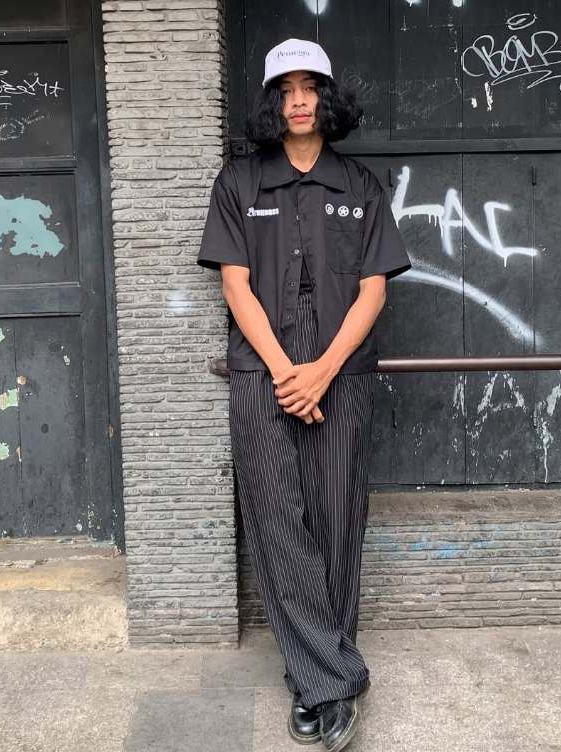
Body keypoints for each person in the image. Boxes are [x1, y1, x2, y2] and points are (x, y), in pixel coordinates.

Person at [196, 37, 411, 752]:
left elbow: (373, 291)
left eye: (309, 87)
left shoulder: (361, 185)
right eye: (285, 89)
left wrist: (321, 370)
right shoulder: (238, 184)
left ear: (327, 97)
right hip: (263, 371)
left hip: (341, 371)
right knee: (277, 523)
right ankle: (331, 680)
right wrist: (290, 370)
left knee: (337, 518)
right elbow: (235, 286)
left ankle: (316, 679)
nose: (298, 100)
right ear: (271, 102)